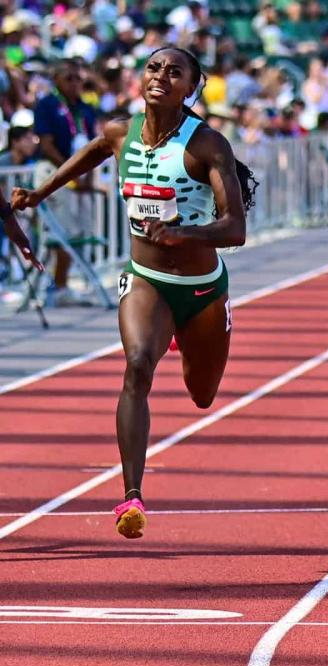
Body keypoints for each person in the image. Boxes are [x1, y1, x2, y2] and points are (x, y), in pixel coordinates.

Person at [11, 46, 257, 539]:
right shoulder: (121, 132)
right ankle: (131, 498)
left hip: (201, 288)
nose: (161, 76)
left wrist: (185, 234)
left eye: (174, 72)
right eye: (152, 67)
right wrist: (41, 193)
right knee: (137, 364)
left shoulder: (206, 145)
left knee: (203, 394)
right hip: (146, 280)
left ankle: (181, 334)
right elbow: (94, 152)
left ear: (192, 86)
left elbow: (235, 229)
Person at [32, 59, 98, 306]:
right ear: (56, 80)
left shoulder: (85, 108)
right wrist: (72, 173)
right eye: (68, 78)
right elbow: (46, 143)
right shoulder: (47, 105)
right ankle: (57, 286)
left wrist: (88, 175)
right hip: (55, 172)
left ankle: (64, 283)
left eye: (78, 78)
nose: (74, 83)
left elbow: (95, 147)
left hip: (79, 176)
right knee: (62, 230)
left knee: (79, 229)